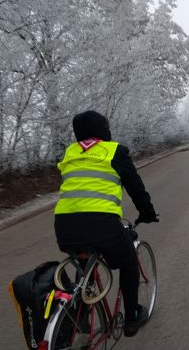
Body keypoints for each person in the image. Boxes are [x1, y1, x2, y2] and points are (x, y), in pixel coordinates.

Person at [54, 110, 159, 337]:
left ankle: (80, 315)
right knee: (128, 261)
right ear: (104, 130)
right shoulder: (115, 151)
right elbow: (135, 188)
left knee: (85, 259)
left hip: (64, 227)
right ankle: (131, 317)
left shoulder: (70, 152)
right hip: (102, 225)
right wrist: (147, 212)